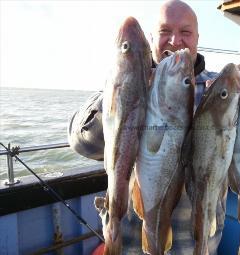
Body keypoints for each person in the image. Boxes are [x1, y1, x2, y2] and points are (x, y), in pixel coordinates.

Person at [68, 1, 225, 254]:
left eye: (185, 32)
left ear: (197, 38)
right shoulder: (127, 78)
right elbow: (79, 142)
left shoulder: (220, 92)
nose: (175, 40)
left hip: (195, 245)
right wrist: (121, 97)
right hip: (130, 243)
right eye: (165, 31)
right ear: (152, 37)